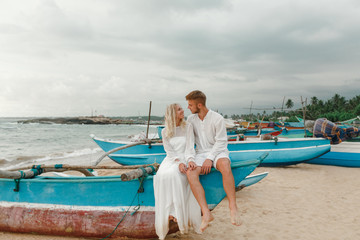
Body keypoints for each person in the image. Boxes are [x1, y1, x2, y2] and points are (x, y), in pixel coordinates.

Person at [185, 90, 242, 232]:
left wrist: (210, 159)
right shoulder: (191, 120)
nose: (188, 108)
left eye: (190, 105)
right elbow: (189, 143)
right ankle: (206, 213)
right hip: (200, 153)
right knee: (190, 173)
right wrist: (191, 159)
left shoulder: (217, 118)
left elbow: (221, 142)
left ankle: (233, 207)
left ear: (199, 105)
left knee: (224, 165)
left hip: (218, 151)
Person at [153, 103, 201, 240]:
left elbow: (190, 147)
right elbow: (169, 150)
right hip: (172, 159)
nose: (183, 110)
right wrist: (177, 162)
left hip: (185, 157)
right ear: (173, 113)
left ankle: (175, 213)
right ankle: (168, 211)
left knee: (174, 175)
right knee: (161, 176)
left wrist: (190, 160)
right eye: (179, 109)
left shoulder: (188, 127)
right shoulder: (165, 131)